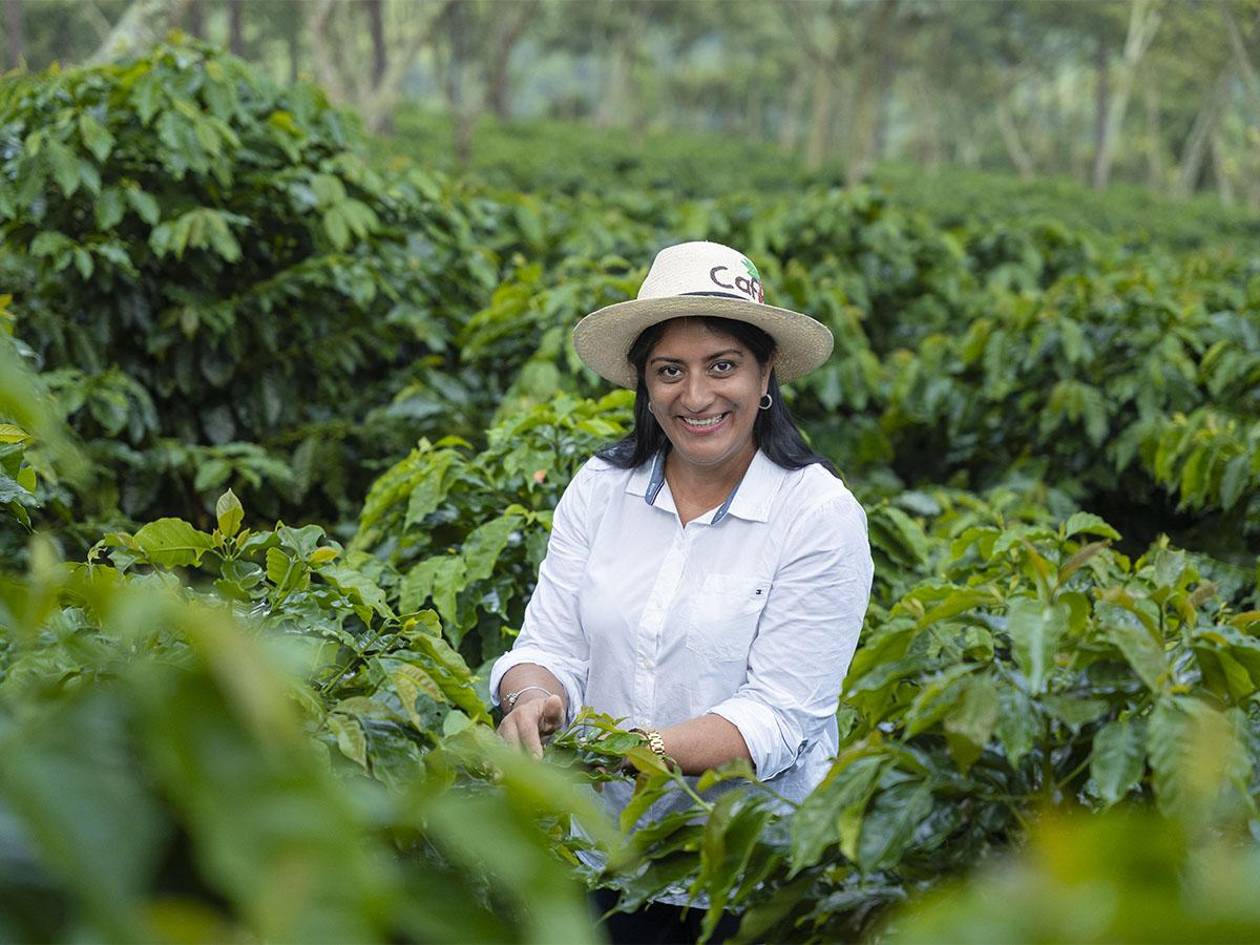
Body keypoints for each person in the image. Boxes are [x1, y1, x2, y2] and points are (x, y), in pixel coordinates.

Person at [491, 240, 874, 943]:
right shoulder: (600, 489)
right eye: (670, 371)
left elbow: (779, 715)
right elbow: (549, 645)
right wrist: (530, 698)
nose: (695, 397)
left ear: (765, 373)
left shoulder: (818, 515)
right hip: (596, 864)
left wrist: (638, 747)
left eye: (722, 365)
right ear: (644, 383)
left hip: (745, 879)